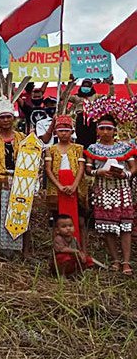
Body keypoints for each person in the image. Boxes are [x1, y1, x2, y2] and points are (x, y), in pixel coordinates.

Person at [84, 114, 134, 275]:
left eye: (108, 129)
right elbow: (88, 169)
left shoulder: (124, 148)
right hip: (102, 189)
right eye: (102, 128)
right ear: (98, 131)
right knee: (107, 226)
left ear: (114, 131)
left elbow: (134, 167)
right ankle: (115, 260)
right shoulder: (93, 149)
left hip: (122, 189)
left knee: (125, 225)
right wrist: (100, 172)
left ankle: (126, 261)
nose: (105, 132)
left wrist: (125, 174)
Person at [0, 99, 28, 259]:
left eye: (9, 117)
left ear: (13, 118)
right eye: (3, 117)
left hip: (19, 181)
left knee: (22, 215)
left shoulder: (22, 138)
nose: (6, 120)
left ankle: (24, 252)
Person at [44, 115, 87, 247]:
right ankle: (57, 249)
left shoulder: (78, 148)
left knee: (80, 220)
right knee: (57, 220)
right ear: (55, 132)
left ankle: (82, 248)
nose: (63, 133)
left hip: (75, 185)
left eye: (66, 130)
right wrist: (59, 186)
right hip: (57, 186)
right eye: (60, 130)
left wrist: (74, 185)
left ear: (72, 132)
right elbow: (48, 169)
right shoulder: (50, 149)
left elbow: (80, 168)